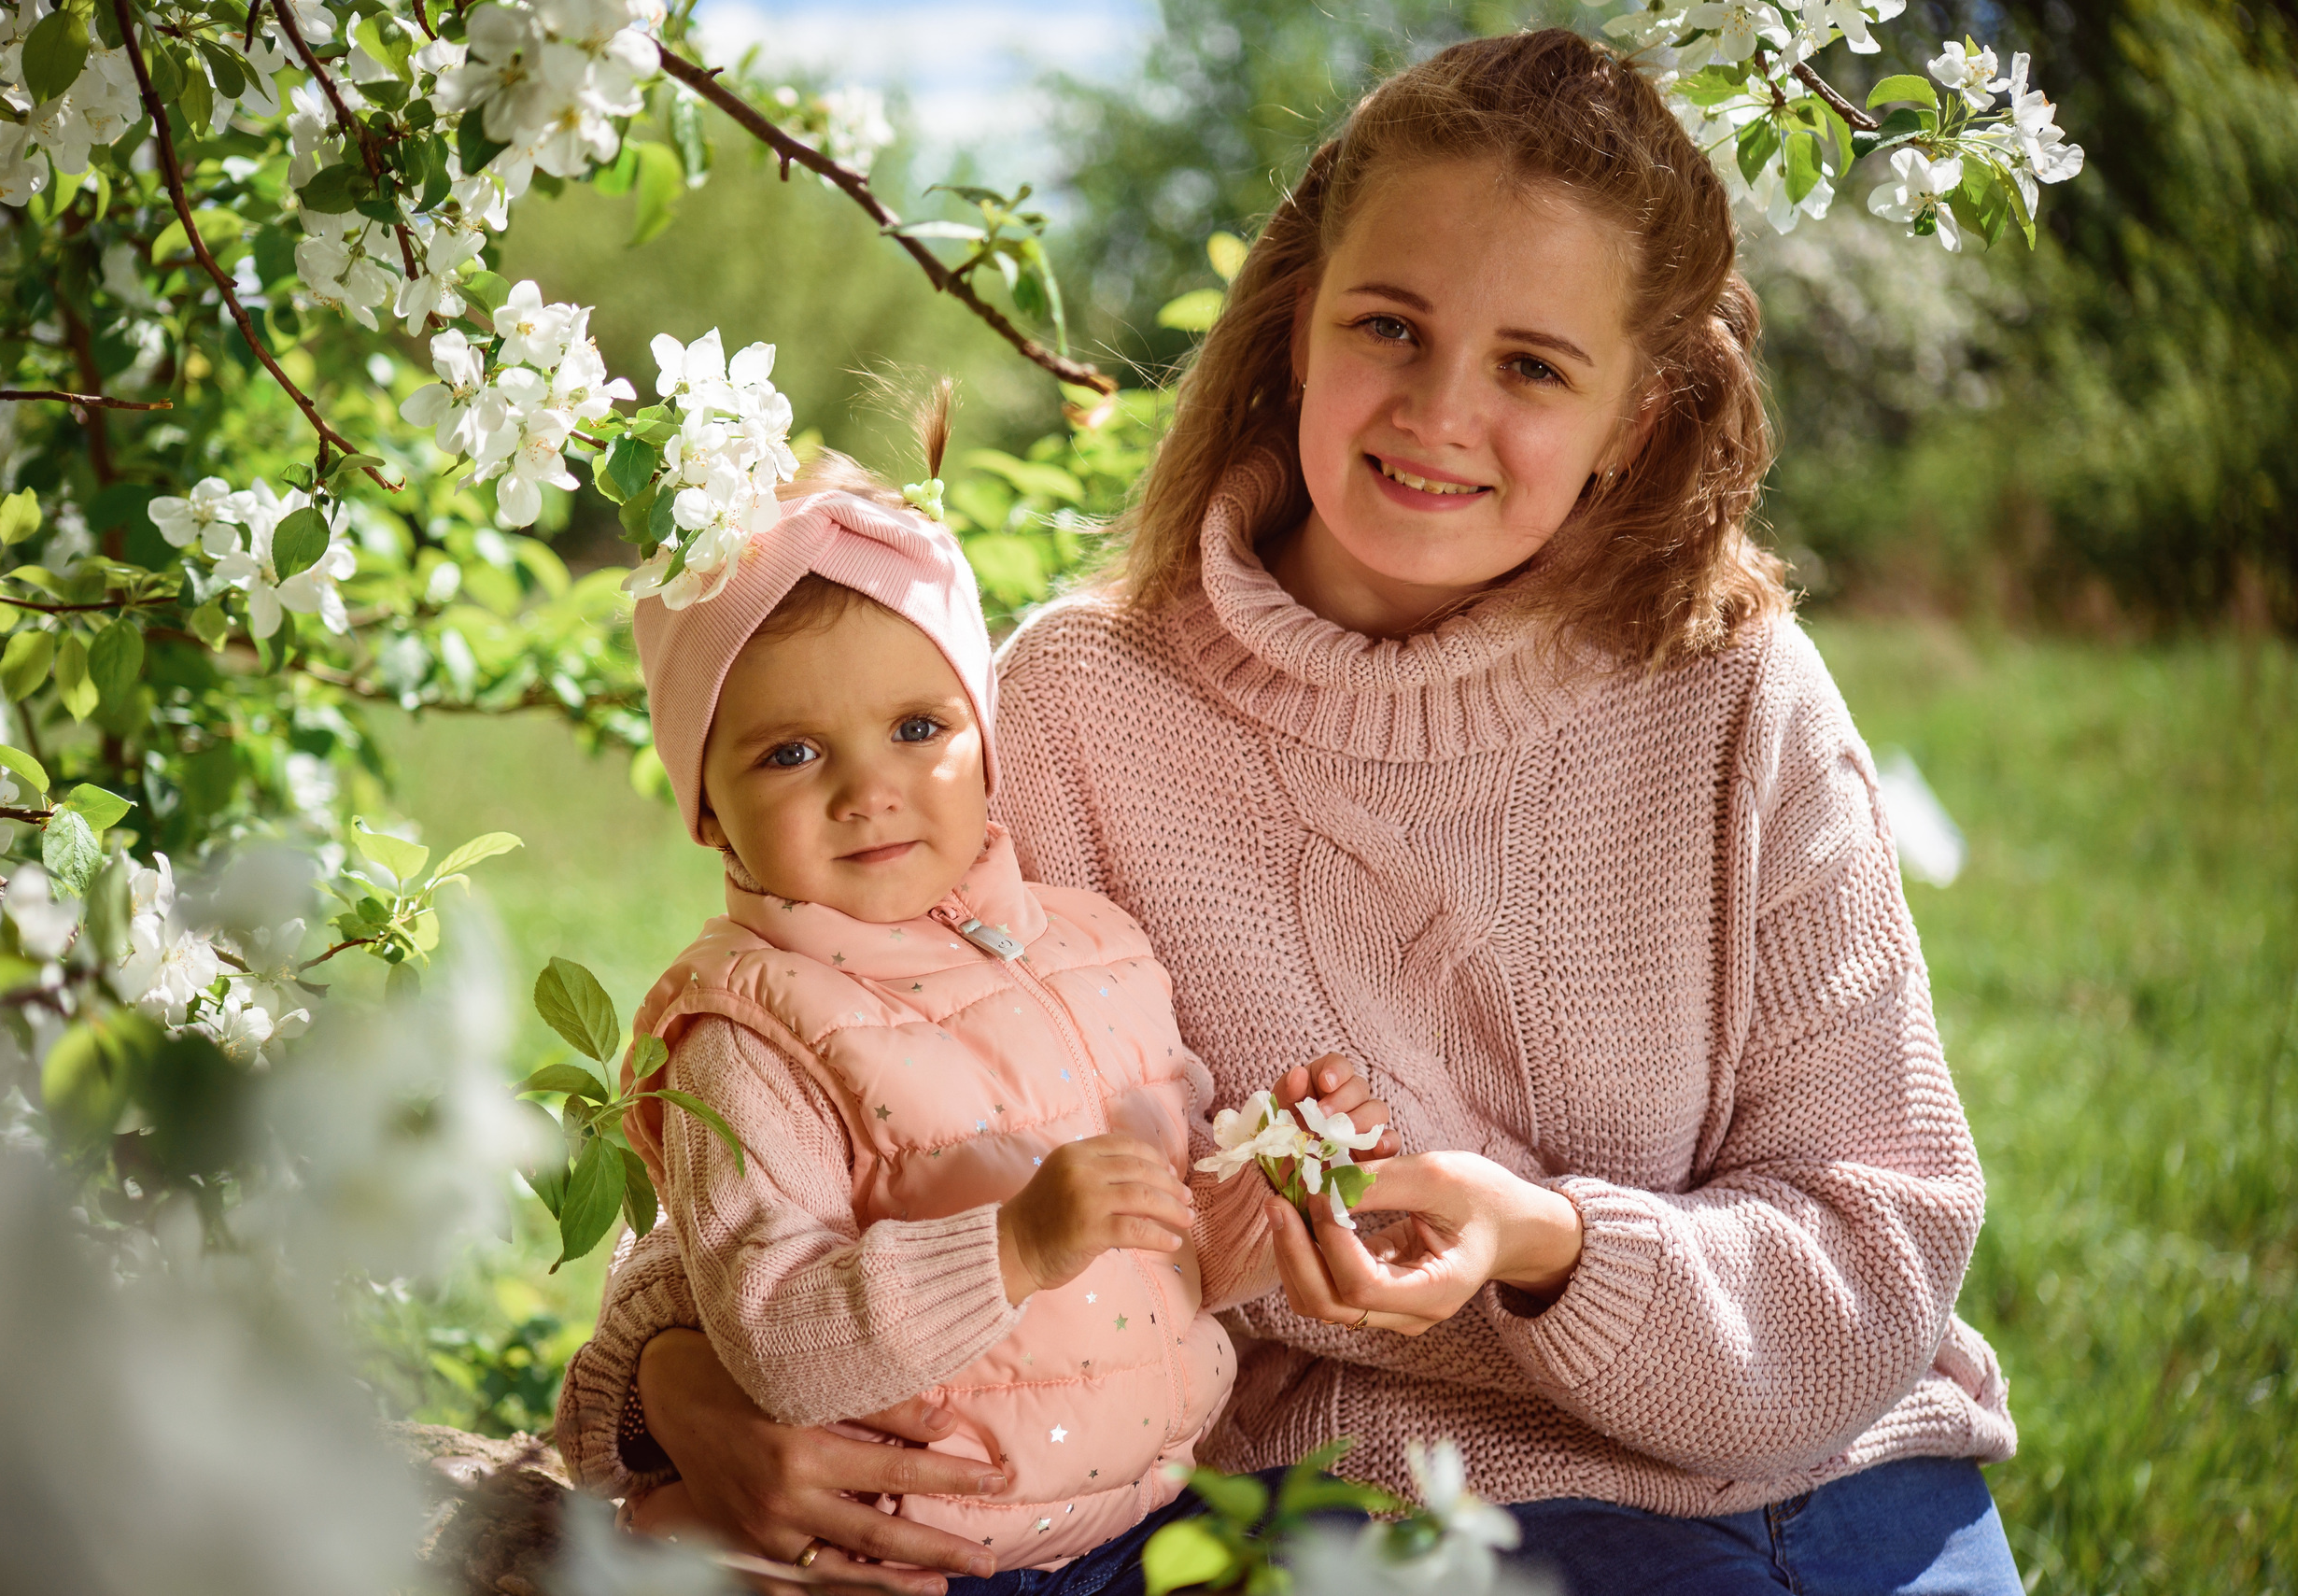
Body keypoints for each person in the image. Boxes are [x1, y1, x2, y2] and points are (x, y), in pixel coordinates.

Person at [559, 28, 2023, 1596]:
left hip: (1800, 1482)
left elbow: (1873, 1251)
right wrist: (665, 1382)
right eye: (1390, 326)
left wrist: (1547, 1243)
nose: (1440, 412)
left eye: (1532, 364)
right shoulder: (1074, 707)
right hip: (1329, 1501)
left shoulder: (1739, 701)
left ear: (1642, 420)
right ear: (1296, 329)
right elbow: (860, 1095)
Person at [609, 453, 1397, 1590]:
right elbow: (773, 1336)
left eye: (920, 726)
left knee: (1354, 1538)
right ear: (705, 806)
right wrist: (1012, 1243)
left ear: (986, 733)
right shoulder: (746, 1031)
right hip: (918, 1548)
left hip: (1139, 1514)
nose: (867, 788)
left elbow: (1169, 1257)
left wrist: (1270, 1177)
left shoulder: (1098, 949)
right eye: (789, 752)